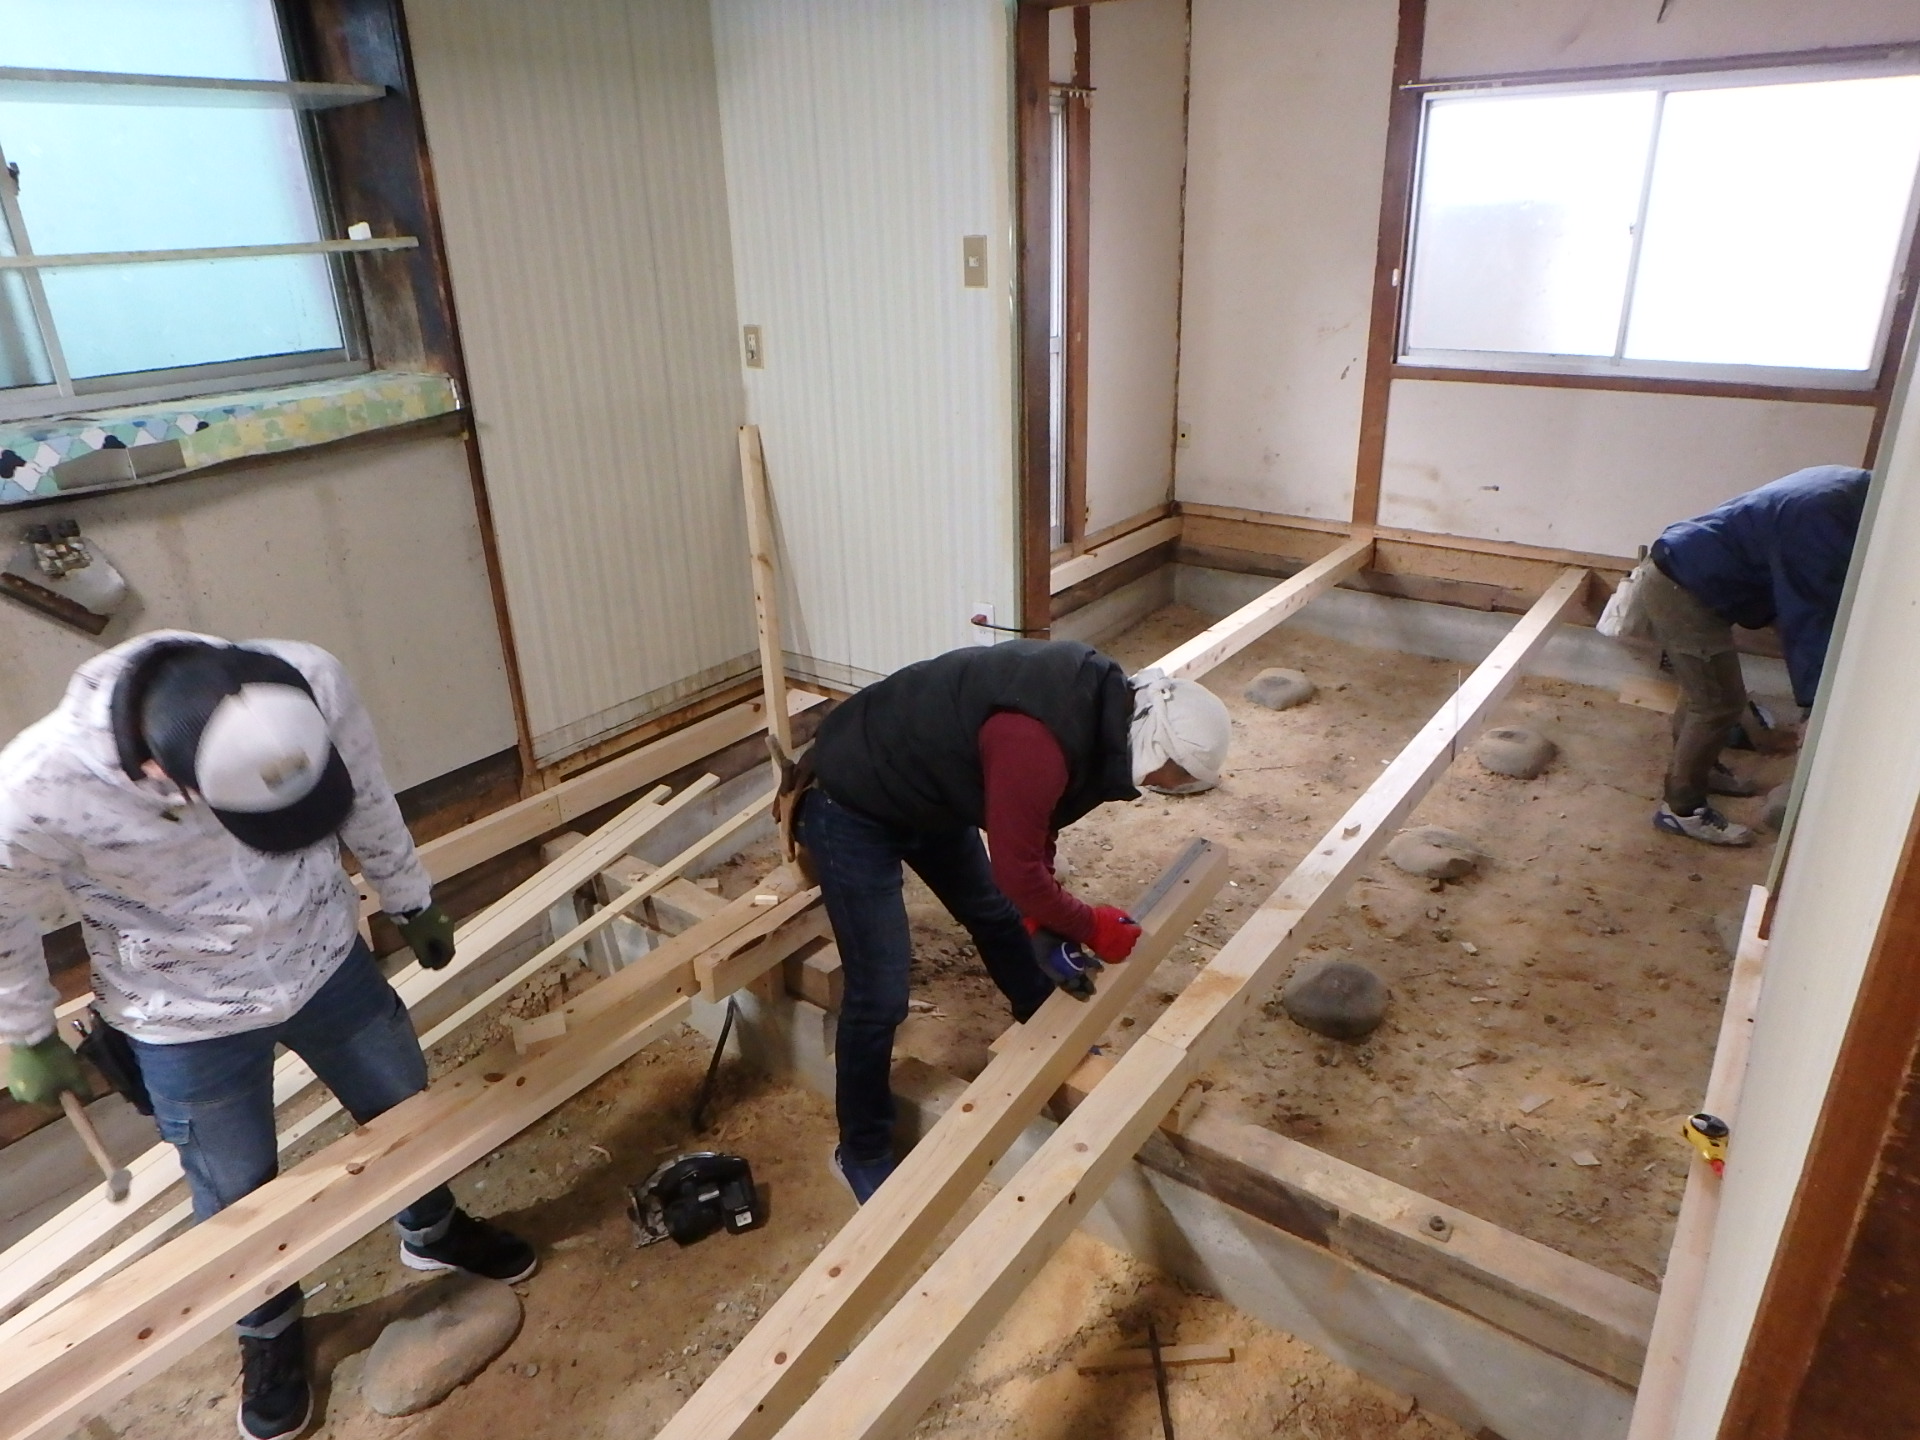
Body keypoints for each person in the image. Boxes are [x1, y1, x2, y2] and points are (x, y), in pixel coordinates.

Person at [0, 633, 536, 1440]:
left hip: (326, 957)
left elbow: (366, 792)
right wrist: (24, 1030)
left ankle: (432, 1230)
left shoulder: (309, 680)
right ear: (165, 779)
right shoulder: (39, 786)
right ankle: (269, 1326)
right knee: (235, 1188)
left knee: (403, 1107)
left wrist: (409, 896)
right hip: (183, 1015)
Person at [796, 638, 1231, 1203]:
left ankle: (1046, 1027)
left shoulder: (1101, 713)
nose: (1158, 787)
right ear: (1157, 746)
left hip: (929, 790)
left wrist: (1042, 924)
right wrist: (1088, 925)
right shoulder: (1037, 741)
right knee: (879, 991)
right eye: (1167, 777)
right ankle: (861, 1151)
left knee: (997, 915)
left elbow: (1034, 827)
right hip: (853, 799)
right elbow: (1018, 872)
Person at [1640, 464, 1870, 846]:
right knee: (1718, 704)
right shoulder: (1825, 515)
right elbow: (1808, 610)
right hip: (1682, 587)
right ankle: (1682, 810)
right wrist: (1814, 703)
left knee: (1705, 692)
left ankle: (1704, 771)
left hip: (1689, 571)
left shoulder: (1847, 487)